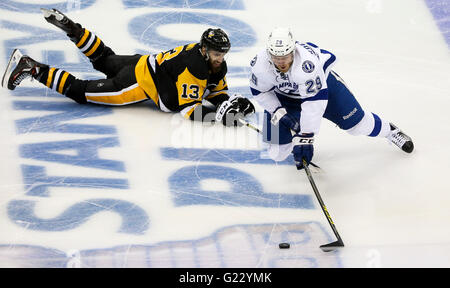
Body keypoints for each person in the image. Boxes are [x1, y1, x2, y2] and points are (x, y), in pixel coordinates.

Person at [2, 8, 254, 126]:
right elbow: (188, 110)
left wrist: (226, 102)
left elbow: (215, 90)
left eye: (222, 53)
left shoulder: (208, 60)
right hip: (135, 84)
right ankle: (33, 68)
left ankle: (72, 27)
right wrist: (218, 117)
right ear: (203, 49)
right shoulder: (195, 67)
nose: (219, 58)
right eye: (215, 53)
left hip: (139, 62)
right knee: (80, 91)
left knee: (102, 57)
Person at [248, 27, 414, 169]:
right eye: (276, 58)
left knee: (357, 125)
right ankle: (291, 140)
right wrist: (278, 112)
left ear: (293, 51)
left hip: (324, 91)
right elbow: (259, 92)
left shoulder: (306, 66)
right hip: (284, 98)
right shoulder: (260, 65)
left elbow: (314, 104)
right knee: (277, 154)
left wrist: (305, 137)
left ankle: (390, 131)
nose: (281, 62)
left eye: (285, 57)